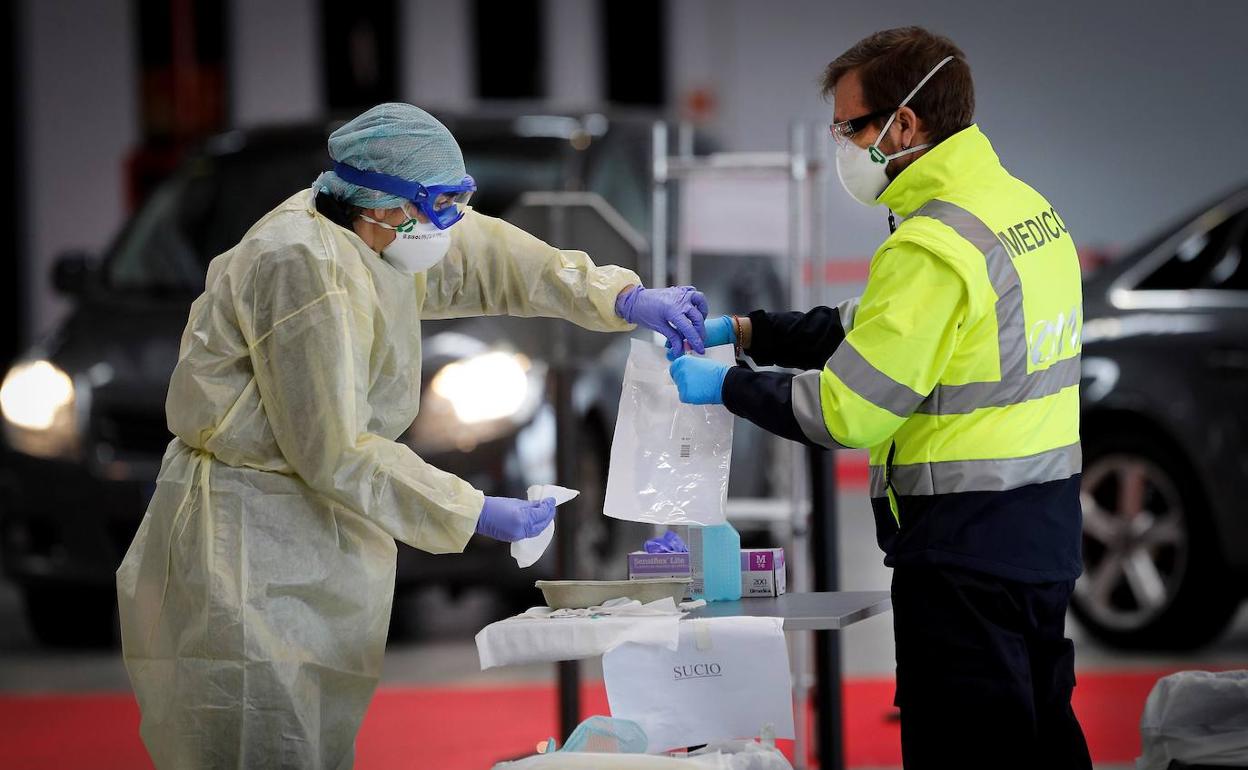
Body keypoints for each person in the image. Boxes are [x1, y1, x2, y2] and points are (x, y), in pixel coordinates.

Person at [116, 103, 708, 770]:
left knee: (308, 741)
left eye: (459, 201)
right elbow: (334, 449)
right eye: (440, 205)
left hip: (307, 531)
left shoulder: (379, 237)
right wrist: (477, 510)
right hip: (244, 547)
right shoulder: (304, 270)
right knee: (257, 732)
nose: (449, 224)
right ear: (380, 203)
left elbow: (499, 258)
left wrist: (620, 298)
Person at [668, 28, 1092, 770]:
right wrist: (743, 329)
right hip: (1041, 534)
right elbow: (871, 331)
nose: (841, 144)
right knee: (1043, 742)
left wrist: (726, 386)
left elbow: (848, 408)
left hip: (963, 559)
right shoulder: (1017, 209)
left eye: (850, 126)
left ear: (904, 124)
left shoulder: (932, 244)